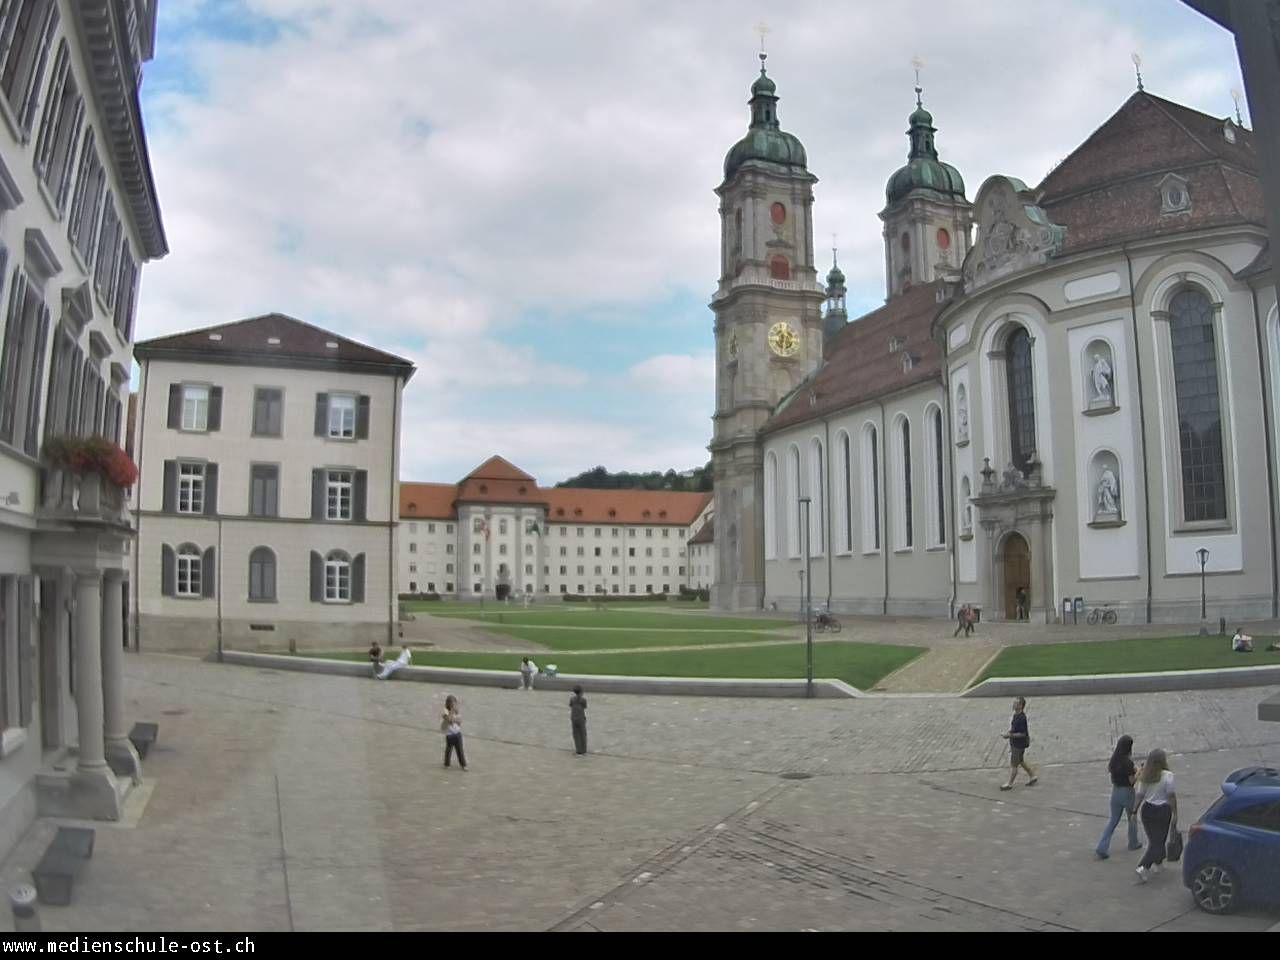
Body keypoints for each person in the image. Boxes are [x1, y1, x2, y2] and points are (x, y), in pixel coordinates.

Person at [1095, 735, 1142, 859]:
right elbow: (1132, 781)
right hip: (1127, 793)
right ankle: (1133, 842)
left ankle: (1102, 846)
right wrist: (1138, 773)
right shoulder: (1128, 763)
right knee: (1132, 817)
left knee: (1113, 821)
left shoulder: (1114, 760)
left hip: (1115, 792)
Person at [1134, 748, 1177, 881]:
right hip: (1163, 810)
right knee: (1159, 841)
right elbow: (1171, 796)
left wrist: (1134, 811)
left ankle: (1158, 863)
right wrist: (1175, 813)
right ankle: (1143, 866)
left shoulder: (1145, 775)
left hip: (1147, 810)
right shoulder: (1168, 776)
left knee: (1154, 839)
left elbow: (1140, 795)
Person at [999, 696, 1038, 790]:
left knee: (1014, 764)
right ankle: (1032, 776)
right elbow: (1015, 729)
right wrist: (1009, 732)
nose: (1013, 704)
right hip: (1016, 743)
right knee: (1020, 761)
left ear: (1021, 705)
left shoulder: (1021, 718)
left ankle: (1010, 784)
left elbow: (1022, 734)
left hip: (1018, 745)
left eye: (1016, 703)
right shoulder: (1016, 715)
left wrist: (1009, 736)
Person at [441, 694, 467, 770]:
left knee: (460, 750)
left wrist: (454, 720)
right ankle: (447, 764)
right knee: (448, 751)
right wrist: (452, 711)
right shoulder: (445, 711)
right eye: (451, 704)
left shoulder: (457, 711)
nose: (453, 705)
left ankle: (463, 765)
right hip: (449, 735)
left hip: (458, 734)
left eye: (454, 703)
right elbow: (448, 719)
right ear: (448, 704)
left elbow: (459, 721)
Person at [569, 685, 588, 756]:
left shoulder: (572, 699)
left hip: (574, 717)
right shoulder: (583, 700)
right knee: (583, 733)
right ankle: (584, 750)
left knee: (576, 734)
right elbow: (585, 707)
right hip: (581, 718)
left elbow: (570, 705)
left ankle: (578, 750)